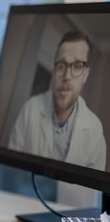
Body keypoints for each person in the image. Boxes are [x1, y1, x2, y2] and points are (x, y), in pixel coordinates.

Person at [8, 30, 106, 171]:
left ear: (85, 75)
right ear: (54, 71)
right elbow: (9, 171)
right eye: (61, 66)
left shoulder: (95, 131)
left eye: (77, 66)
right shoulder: (30, 108)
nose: (67, 76)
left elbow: (92, 192)